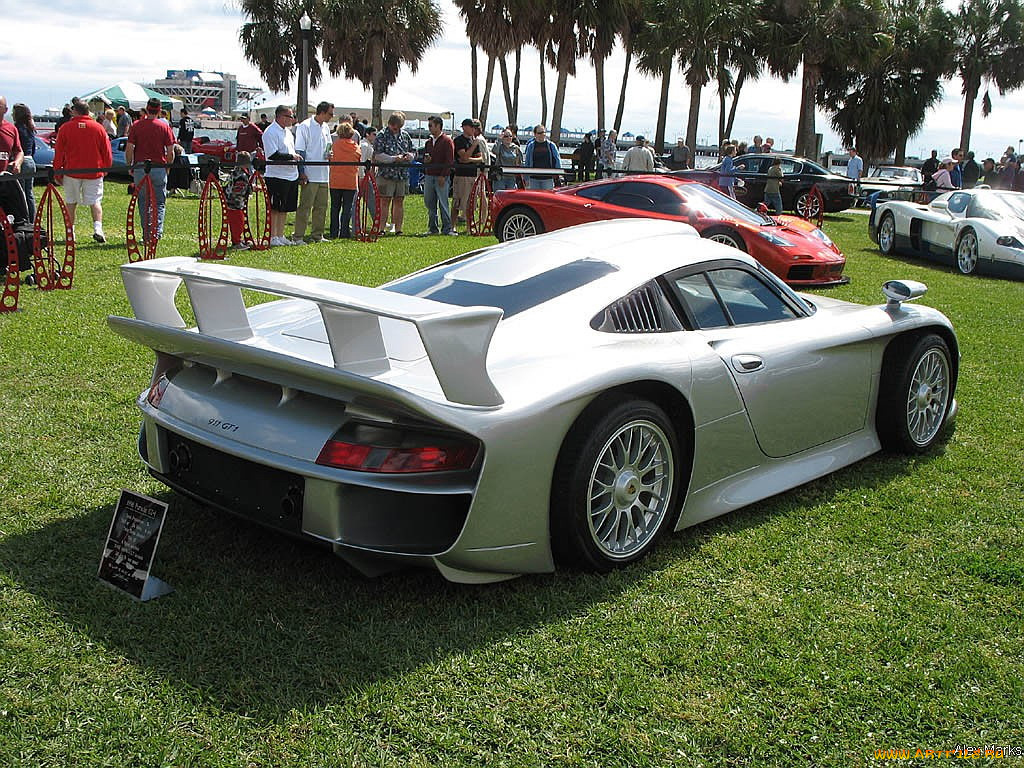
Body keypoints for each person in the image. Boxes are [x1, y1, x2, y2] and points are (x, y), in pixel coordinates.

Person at [54, 99, 113, 243]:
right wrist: (106, 167)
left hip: (71, 171)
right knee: (95, 201)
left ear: (74, 111)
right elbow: (106, 151)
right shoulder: (98, 128)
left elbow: (59, 152)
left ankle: (70, 232)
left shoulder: (65, 128)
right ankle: (98, 228)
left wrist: (57, 170)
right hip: (94, 171)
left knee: (71, 202)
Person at [292, 100, 334, 243]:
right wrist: (301, 171)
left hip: (324, 174)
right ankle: (298, 236)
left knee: (321, 207)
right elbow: (300, 150)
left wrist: (330, 153)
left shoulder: (326, 127)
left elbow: (329, 146)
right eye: (330, 114)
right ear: (322, 112)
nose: (331, 117)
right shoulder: (305, 126)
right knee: (305, 206)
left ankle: (317, 235)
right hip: (310, 173)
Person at [261, 104, 301, 247]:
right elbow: (272, 155)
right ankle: (272, 236)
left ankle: (280, 234)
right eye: (289, 116)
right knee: (275, 208)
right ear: (280, 117)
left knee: (285, 208)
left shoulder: (288, 133)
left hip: (290, 175)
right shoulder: (270, 132)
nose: (292, 119)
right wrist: (291, 157)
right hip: (276, 175)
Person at [372, 110, 415, 235]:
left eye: (399, 127)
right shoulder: (381, 135)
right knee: (384, 201)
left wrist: (409, 156)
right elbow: (378, 155)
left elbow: (413, 151)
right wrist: (393, 159)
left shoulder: (405, 135)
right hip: (386, 174)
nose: (397, 130)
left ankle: (398, 229)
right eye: (395, 127)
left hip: (402, 174)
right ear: (390, 124)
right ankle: (381, 228)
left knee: (399, 201)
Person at [421, 115, 455, 235]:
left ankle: (447, 228)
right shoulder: (428, 143)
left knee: (443, 203)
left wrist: (443, 175)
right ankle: (432, 228)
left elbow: (449, 160)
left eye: (431, 125)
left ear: (438, 126)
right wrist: (426, 160)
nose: (429, 128)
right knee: (430, 202)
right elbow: (425, 157)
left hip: (441, 177)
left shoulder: (447, 141)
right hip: (429, 175)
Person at [328, 122, 360, 239]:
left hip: (335, 181)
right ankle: (344, 232)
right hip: (350, 181)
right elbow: (358, 158)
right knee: (347, 208)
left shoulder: (334, 146)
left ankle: (333, 232)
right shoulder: (355, 147)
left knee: (334, 207)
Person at [451, 118, 484, 226]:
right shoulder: (459, 141)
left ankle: (470, 226)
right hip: (461, 175)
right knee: (458, 202)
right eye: (472, 127)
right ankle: (452, 226)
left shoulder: (474, 141)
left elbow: (480, 159)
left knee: (471, 203)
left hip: (472, 175)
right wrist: (472, 147)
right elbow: (463, 156)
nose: (474, 130)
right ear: (465, 127)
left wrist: (469, 160)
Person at [12, 104, 37, 223]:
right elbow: (33, 148)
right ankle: (32, 220)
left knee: (21, 194)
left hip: (22, 161)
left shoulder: (16, 128)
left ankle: (24, 219)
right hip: (31, 160)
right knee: (29, 193)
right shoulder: (30, 128)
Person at [224, 151, 253, 249]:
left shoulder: (235, 171)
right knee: (238, 223)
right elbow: (239, 189)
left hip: (231, 201)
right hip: (235, 203)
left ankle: (238, 240)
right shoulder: (242, 175)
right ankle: (236, 242)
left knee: (238, 222)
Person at [524, 124, 560, 190]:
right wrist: (526, 178)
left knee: (547, 198)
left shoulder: (551, 145)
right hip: (533, 178)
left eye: (543, 132)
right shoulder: (531, 146)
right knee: (534, 198)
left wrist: (558, 174)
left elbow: (557, 160)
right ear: (535, 134)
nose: (542, 134)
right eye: (539, 133)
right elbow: (527, 162)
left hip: (548, 178)